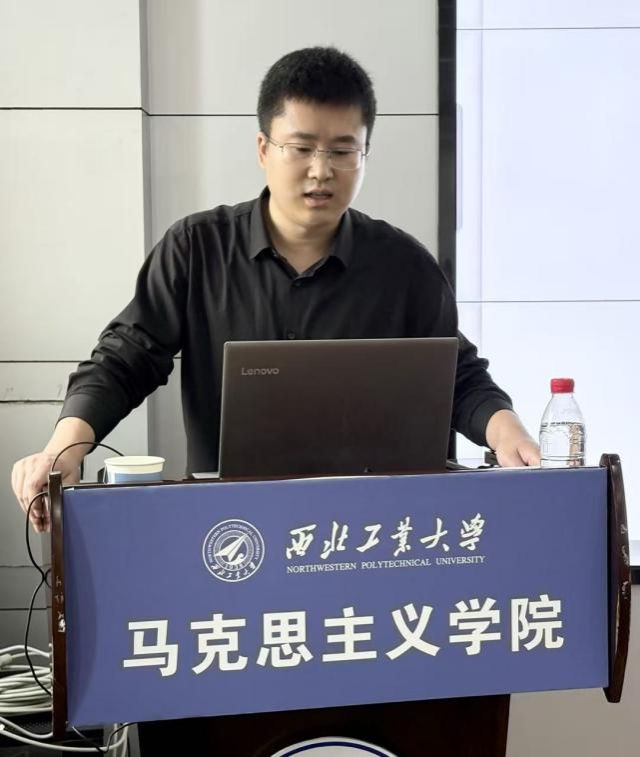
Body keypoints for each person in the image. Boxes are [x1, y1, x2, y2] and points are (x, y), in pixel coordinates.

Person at [12, 46, 539, 532]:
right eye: (301, 147)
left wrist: (507, 433)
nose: (321, 170)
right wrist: (64, 449)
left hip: (370, 531)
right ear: (263, 148)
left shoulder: (404, 266)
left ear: (365, 154)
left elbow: (455, 376)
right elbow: (126, 358)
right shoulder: (197, 248)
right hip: (231, 529)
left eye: (343, 151)